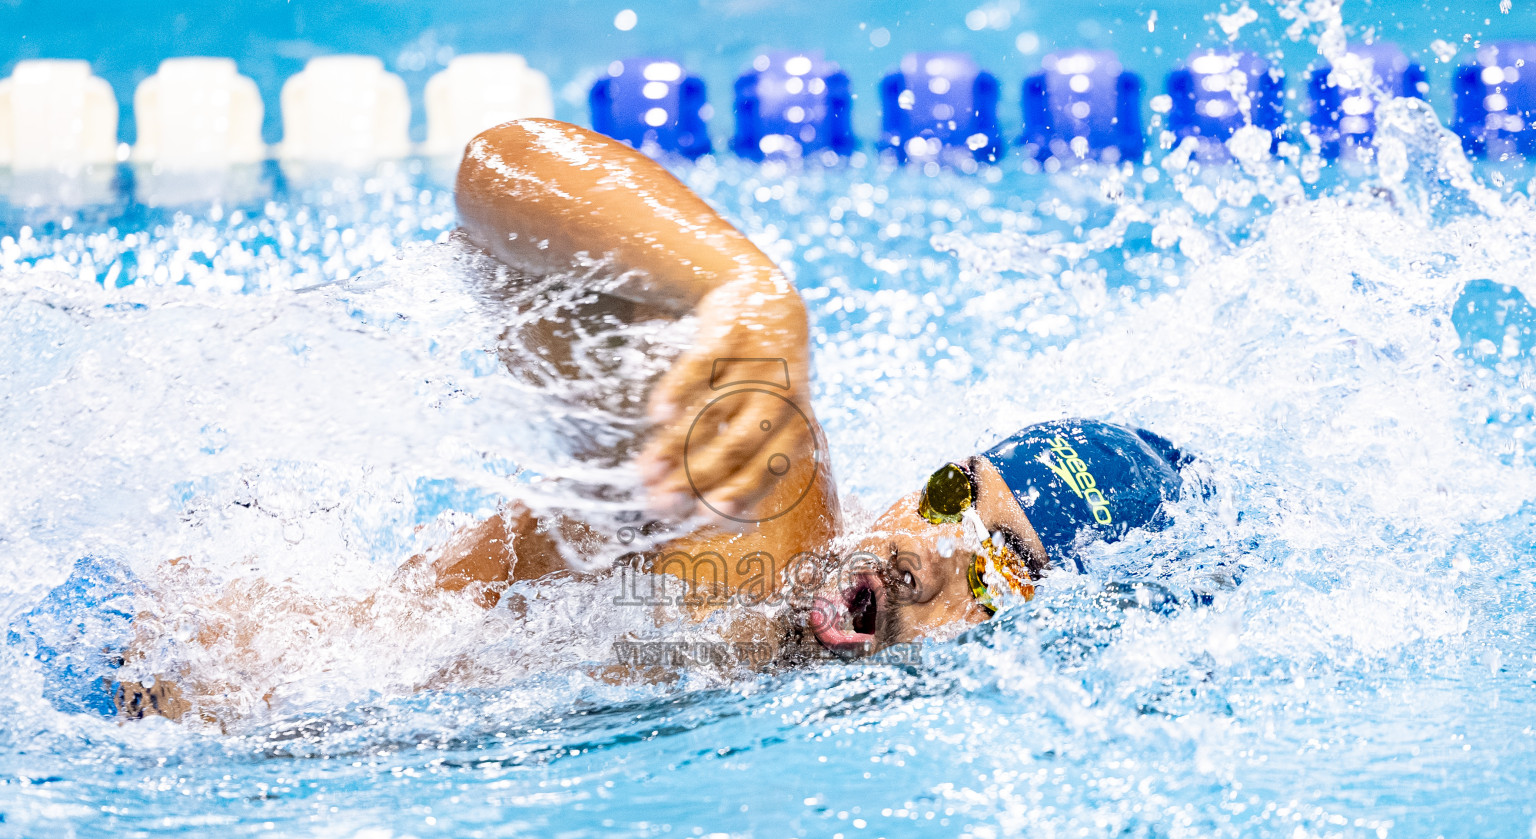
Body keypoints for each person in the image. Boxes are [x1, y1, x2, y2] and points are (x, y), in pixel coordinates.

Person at [96, 118, 1189, 722]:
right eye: (955, 497)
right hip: (187, 687)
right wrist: (745, 298)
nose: (929, 551)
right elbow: (499, 163)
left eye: (999, 565)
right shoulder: (766, 499)